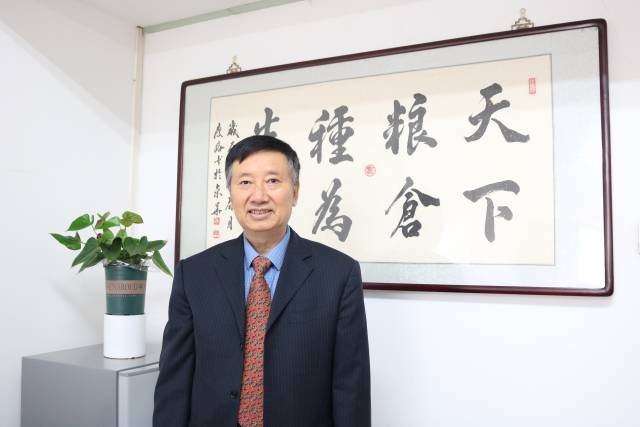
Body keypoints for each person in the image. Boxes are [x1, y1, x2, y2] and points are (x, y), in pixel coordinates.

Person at [153, 135, 371, 427]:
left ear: (295, 192)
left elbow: (351, 386)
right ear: (230, 193)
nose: (258, 196)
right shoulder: (193, 274)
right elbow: (174, 382)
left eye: (272, 181)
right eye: (245, 182)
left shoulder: (338, 274)